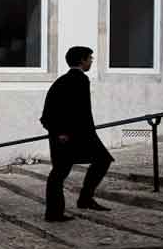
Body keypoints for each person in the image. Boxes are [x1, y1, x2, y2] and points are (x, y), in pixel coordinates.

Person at [40, 46, 113, 222]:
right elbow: (78, 111)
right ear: (82, 60)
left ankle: (80, 201)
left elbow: (51, 113)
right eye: (90, 58)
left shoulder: (63, 80)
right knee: (60, 173)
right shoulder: (78, 80)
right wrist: (63, 133)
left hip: (69, 134)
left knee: (63, 171)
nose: (91, 61)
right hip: (71, 136)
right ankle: (57, 212)